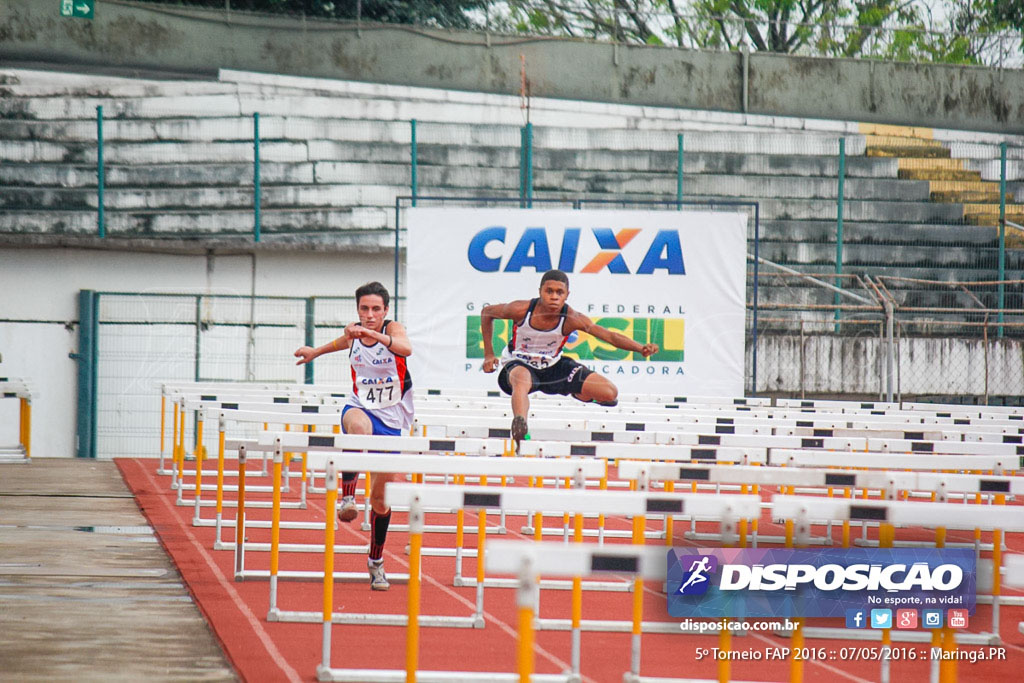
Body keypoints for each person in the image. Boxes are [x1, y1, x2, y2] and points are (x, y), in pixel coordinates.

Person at [293, 281, 412, 591]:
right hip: (359, 406)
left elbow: (405, 348)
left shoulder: (391, 329)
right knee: (358, 429)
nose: (369, 315)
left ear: (385, 311)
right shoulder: (354, 333)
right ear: (357, 309)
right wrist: (314, 353)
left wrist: (373, 334)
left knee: (380, 500)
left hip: (392, 417)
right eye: (364, 309)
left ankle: (376, 562)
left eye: (375, 309)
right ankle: (347, 496)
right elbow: (340, 343)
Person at [480, 269, 658, 451]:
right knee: (522, 378)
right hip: (519, 364)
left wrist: (639, 348)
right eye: (549, 291)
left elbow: (609, 336)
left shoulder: (572, 318)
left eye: (560, 292)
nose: (554, 297)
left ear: (567, 295)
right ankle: (520, 425)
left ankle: (579, 393)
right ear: (540, 291)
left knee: (610, 393)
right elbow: (487, 313)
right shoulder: (520, 310)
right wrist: (489, 354)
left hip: (553, 367)